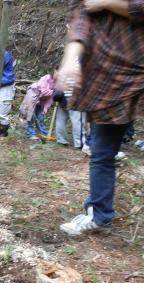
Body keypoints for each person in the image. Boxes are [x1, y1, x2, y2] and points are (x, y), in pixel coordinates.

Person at [57, 0, 144, 236]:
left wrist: (107, 2)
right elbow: (79, 26)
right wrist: (69, 63)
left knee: (101, 155)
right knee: (102, 154)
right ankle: (100, 214)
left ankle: (100, 213)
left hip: (136, 68)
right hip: (106, 82)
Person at [20, 74, 54, 140]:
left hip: (42, 100)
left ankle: (44, 134)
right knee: (31, 117)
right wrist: (54, 91)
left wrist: (46, 108)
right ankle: (30, 134)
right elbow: (43, 91)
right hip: (33, 95)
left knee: (41, 117)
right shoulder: (46, 78)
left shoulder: (58, 83)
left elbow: (51, 98)